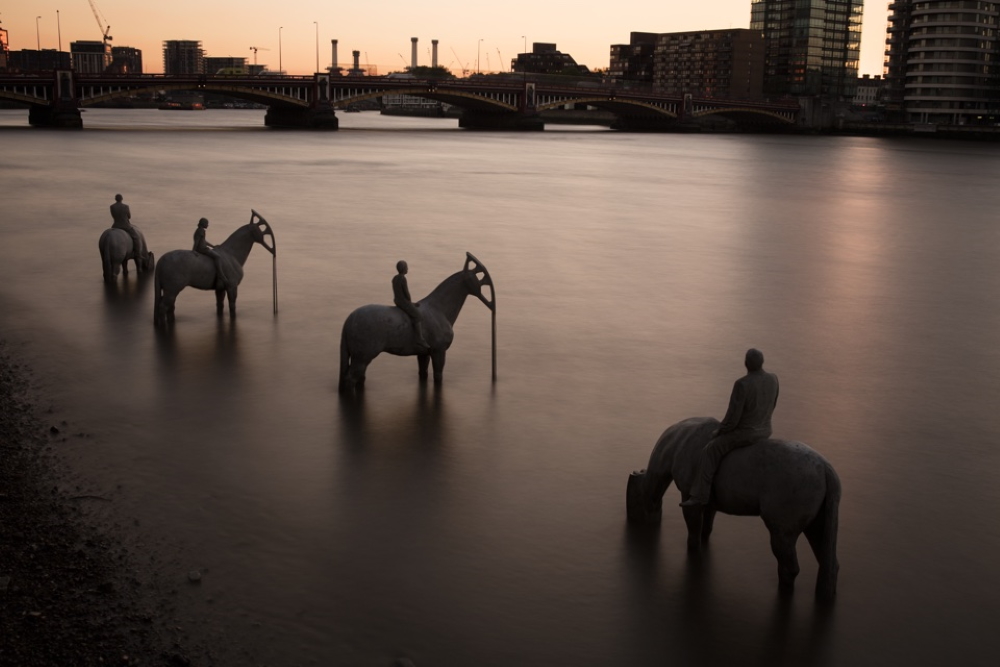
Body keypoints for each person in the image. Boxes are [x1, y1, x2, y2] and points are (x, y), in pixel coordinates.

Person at [681, 348, 780, 507]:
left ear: (746, 364)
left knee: (710, 450)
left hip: (745, 434)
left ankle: (700, 495)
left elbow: (732, 421)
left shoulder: (742, 384)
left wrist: (719, 431)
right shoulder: (773, 379)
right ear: (762, 363)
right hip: (766, 431)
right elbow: (772, 405)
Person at [392, 260, 430, 352]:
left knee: (414, 308)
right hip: (403, 302)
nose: (408, 269)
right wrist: (409, 302)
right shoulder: (402, 279)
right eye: (407, 267)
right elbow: (406, 293)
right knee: (418, 316)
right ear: (404, 269)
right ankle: (419, 339)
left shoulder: (395, 278)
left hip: (397, 300)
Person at [192, 218, 231, 290]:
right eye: (207, 223)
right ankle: (220, 275)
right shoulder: (200, 231)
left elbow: (204, 241)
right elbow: (197, 241)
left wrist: (213, 246)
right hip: (202, 249)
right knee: (218, 257)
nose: (207, 225)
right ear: (203, 224)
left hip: (203, 247)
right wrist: (194, 250)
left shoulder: (201, 230)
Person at [110, 194, 147, 264]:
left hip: (115, 226)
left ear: (115, 199)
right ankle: (138, 254)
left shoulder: (112, 207)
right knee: (136, 237)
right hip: (125, 225)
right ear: (121, 199)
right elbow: (129, 216)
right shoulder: (125, 206)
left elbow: (113, 215)